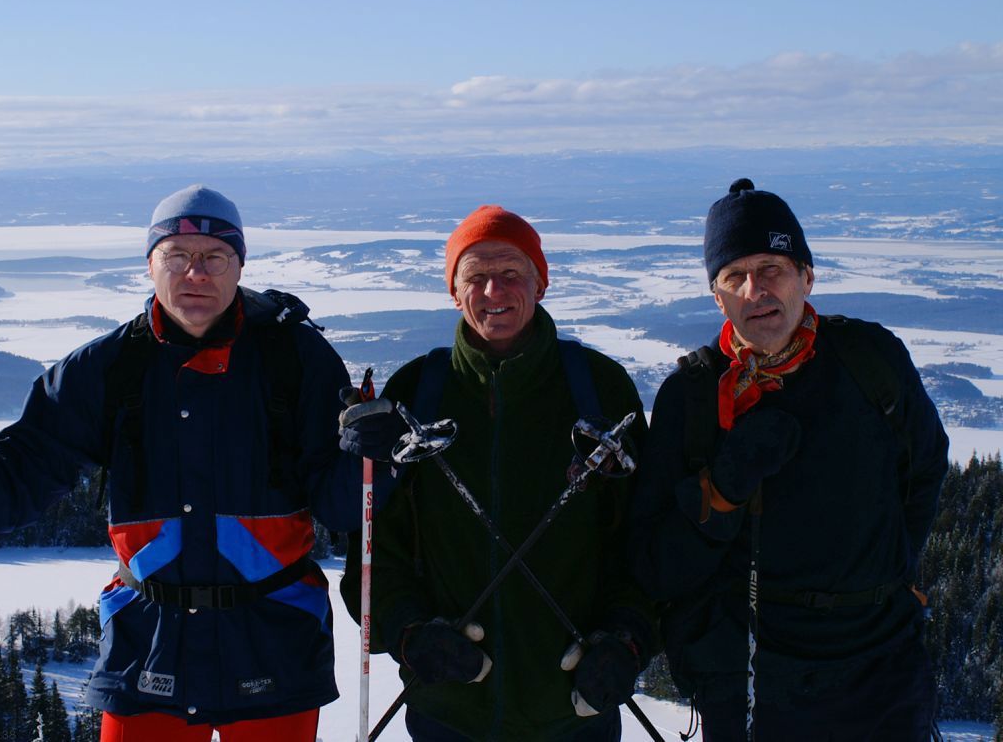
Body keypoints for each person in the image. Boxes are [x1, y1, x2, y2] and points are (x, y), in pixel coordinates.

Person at [0, 184, 361, 741]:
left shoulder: (296, 360)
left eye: (214, 257)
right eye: (177, 256)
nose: (196, 273)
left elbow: (344, 502)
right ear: (150, 265)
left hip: (273, 640)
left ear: (239, 266)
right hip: (149, 643)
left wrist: (373, 456)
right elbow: (22, 476)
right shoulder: (107, 368)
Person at [629, 179, 949, 741]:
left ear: (807, 276)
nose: (756, 290)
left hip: (882, 666)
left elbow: (924, 468)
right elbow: (657, 563)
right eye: (735, 276)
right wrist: (725, 487)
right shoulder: (695, 398)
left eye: (772, 267)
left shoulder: (869, 361)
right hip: (755, 673)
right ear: (717, 296)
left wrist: (899, 572)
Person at [338, 205, 655, 741]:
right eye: (475, 277)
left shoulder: (598, 387)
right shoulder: (419, 392)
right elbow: (375, 552)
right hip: (450, 708)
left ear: (540, 281)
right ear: (454, 292)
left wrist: (626, 640)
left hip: (573, 705)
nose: (493, 292)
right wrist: (411, 635)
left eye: (511, 273)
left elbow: (644, 539)